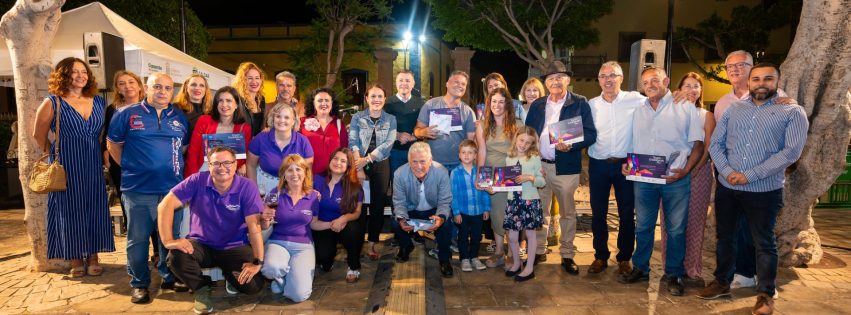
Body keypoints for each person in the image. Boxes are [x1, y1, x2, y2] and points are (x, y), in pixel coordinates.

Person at [699, 63, 808, 315]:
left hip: (764, 190)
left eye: (767, 79)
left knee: (764, 243)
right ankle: (722, 282)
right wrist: (727, 172)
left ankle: (765, 294)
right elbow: (716, 144)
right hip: (728, 187)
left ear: (777, 83)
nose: (761, 83)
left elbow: (790, 152)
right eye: (756, 79)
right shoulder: (733, 110)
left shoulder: (792, 112)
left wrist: (750, 175)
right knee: (725, 237)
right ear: (749, 82)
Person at [617, 66, 704, 297]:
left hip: (675, 179)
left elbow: (698, 144)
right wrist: (627, 163)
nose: (650, 85)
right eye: (645, 82)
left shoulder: (684, 106)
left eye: (654, 80)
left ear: (666, 80)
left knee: (675, 230)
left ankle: (674, 273)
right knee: (643, 226)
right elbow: (634, 142)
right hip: (644, 179)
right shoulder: (639, 111)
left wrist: (686, 170)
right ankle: (641, 268)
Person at [107, 72, 189, 304]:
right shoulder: (126, 114)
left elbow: (182, 148)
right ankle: (139, 283)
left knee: (169, 237)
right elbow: (113, 145)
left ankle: (168, 275)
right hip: (137, 188)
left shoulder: (179, 116)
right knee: (138, 239)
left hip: (172, 190)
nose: (162, 92)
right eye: (157, 87)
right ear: (147, 88)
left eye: (167, 88)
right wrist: (134, 167)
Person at [156, 147, 266, 314]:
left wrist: (257, 262)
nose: (222, 167)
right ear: (209, 166)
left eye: (227, 162)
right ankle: (201, 289)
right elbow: (165, 205)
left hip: (234, 246)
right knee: (176, 257)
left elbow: (254, 227)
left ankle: (231, 275)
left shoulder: (247, 187)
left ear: (236, 165)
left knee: (253, 287)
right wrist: (168, 241)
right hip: (202, 245)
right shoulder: (196, 181)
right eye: (216, 163)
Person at [33, 57, 115, 278]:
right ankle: (75, 258)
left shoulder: (98, 101)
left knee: (95, 207)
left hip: (92, 162)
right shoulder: (53, 102)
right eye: (74, 72)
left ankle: (94, 256)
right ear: (63, 75)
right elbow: (38, 134)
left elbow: (102, 136)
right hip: (66, 164)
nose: (81, 76)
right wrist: (53, 155)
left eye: (84, 71)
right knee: (69, 210)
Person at [524, 61, 597, 275]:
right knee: (540, 212)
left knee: (567, 213)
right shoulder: (538, 104)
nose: (555, 81)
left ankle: (567, 254)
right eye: (550, 78)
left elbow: (591, 134)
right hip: (541, 167)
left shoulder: (580, 103)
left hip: (566, 168)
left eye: (559, 77)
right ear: (545, 83)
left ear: (568, 80)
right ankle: (539, 250)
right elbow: (528, 135)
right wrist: (533, 162)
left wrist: (571, 145)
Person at [586, 61, 643, 275]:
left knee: (627, 213)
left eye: (612, 75)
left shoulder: (636, 99)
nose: (608, 80)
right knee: (598, 213)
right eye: (603, 76)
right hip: (598, 164)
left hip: (626, 165)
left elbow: (659, 103)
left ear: (621, 77)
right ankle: (600, 256)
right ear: (599, 79)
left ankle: (624, 258)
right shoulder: (591, 104)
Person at [658, 72, 716, 283]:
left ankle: (691, 268)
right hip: (672, 174)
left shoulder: (706, 115)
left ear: (701, 91)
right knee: (669, 221)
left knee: (694, 221)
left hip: (698, 174)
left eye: (696, 86)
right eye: (687, 85)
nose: (692, 90)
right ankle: (669, 267)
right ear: (679, 89)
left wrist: (693, 171)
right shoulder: (670, 111)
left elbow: (707, 146)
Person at [260, 154, 322, 302]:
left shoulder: (314, 196)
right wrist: (265, 218)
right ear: (283, 174)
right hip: (277, 242)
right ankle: (280, 280)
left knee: (299, 296)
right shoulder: (275, 194)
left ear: (305, 172)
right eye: (289, 170)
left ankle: (289, 278)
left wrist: (335, 223)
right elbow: (264, 225)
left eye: (298, 169)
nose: (294, 174)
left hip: (303, 246)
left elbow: (314, 223)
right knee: (271, 269)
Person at [348, 84, 397, 260]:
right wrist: (358, 163)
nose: (376, 100)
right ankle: (356, 243)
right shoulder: (357, 118)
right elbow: (352, 140)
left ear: (384, 99)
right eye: (373, 96)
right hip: (358, 161)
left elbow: (388, 144)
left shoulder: (391, 119)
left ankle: (372, 244)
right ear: (367, 99)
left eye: (380, 97)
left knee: (377, 204)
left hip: (381, 163)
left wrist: (367, 159)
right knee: (358, 204)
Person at [475, 87, 522, 268]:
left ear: (507, 104)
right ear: (489, 103)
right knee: (496, 213)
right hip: (493, 174)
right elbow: (482, 151)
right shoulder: (482, 124)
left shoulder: (517, 124)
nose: (497, 105)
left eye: (501, 102)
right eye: (493, 101)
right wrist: (481, 177)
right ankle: (499, 251)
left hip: (511, 174)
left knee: (512, 213)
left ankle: (512, 252)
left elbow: (521, 150)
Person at [391, 142, 453, 277]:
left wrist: (440, 218)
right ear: (408, 161)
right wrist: (402, 218)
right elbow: (399, 202)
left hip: (433, 211)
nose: (419, 166)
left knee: (447, 222)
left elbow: (445, 201)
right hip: (411, 210)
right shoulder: (399, 174)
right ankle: (406, 245)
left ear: (430, 161)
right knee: (396, 222)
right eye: (414, 161)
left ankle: (444, 258)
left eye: (423, 161)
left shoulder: (441, 172)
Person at [312, 148, 364, 282]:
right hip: (323, 225)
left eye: (343, 161)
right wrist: (330, 225)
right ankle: (329, 257)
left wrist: (343, 218)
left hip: (345, 225)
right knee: (323, 260)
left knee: (354, 231)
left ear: (348, 166)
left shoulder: (354, 186)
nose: (338, 163)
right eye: (335, 158)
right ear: (330, 160)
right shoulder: (316, 179)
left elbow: (357, 212)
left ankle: (353, 266)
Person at [103, 70, 145, 232]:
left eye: (131, 82)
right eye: (122, 84)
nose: (127, 86)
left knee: (151, 205)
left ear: (140, 86)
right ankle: (135, 245)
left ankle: (156, 251)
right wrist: (109, 161)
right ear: (118, 89)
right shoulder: (113, 109)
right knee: (129, 205)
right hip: (121, 164)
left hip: (145, 163)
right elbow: (107, 136)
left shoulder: (149, 107)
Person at [503, 127, 547, 281]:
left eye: (528, 143)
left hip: (529, 201)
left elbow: (541, 182)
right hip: (513, 201)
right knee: (513, 236)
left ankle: (529, 268)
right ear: (516, 138)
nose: (523, 144)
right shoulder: (509, 158)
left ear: (532, 145)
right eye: (521, 140)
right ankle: (516, 263)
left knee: (530, 235)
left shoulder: (534, 158)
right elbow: (507, 182)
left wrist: (529, 177)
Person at [414, 70, 477, 171]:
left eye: (463, 84)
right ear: (447, 84)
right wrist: (423, 132)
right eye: (456, 82)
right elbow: (416, 131)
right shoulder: (430, 105)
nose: (460, 85)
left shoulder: (468, 112)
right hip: (433, 163)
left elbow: (471, 142)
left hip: (459, 165)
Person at [246, 103, 314, 196]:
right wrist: (254, 191)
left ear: (293, 121)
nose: (282, 120)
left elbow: (307, 171)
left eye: (286, 117)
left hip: (293, 189)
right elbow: (251, 165)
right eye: (278, 116)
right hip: (264, 188)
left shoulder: (303, 141)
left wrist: (305, 192)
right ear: (273, 119)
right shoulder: (260, 138)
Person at [185, 86, 252, 177]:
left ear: (236, 105)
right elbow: (193, 152)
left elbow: (242, 157)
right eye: (220, 100)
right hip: (203, 172)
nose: (224, 104)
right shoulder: (204, 121)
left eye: (228, 100)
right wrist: (191, 179)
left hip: (228, 175)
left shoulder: (244, 128)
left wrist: (242, 165)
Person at [450, 139, 490, 272]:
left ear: (475, 155)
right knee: (462, 236)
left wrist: (486, 208)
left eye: (470, 153)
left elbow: (485, 191)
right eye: (463, 152)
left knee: (476, 236)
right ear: (459, 155)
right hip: (463, 212)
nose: (466, 155)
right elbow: (453, 195)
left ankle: (474, 257)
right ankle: (464, 258)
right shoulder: (455, 173)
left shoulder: (481, 172)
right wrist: (456, 212)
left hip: (478, 211)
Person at [384, 70, 425, 174]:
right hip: (394, 152)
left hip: (416, 152)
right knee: (397, 184)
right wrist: (397, 135)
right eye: (400, 80)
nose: (404, 83)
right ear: (396, 83)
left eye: (407, 80)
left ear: (413, 83)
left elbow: (425, 125)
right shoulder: (387, 103)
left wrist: (414, 136)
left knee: (416, 184)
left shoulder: (420, 103)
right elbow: (381, 126)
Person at [300, 87, 348, 176]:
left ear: (332, 103)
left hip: (333, 178)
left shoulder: (339, 124)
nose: (323, 103)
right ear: (313, 103)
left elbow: (345, 151)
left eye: (327, 100)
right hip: (308, 176)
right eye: (320, 100)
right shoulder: (302, 122)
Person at [233, 62, 267, 136]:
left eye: (257, 78)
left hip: (257, 144)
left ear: (261, 80)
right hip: (242, 144)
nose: (254, 82)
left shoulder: (261, 99)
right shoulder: (237, 99)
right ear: (243, 81)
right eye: (250, 78)